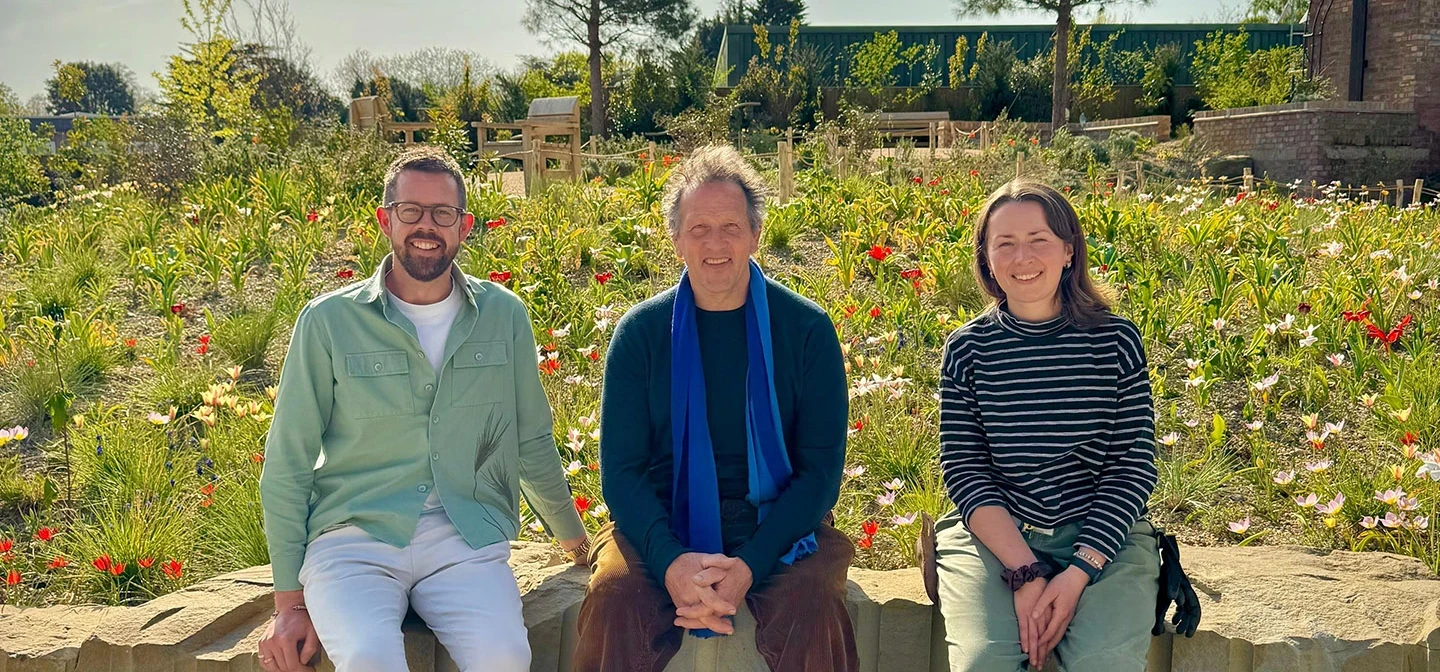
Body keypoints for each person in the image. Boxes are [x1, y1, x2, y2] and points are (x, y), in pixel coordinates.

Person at [256, 147, 589, 672]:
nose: (426, 226)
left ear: (465, 226)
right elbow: (287, 463)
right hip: (353, 541)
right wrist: (289, 603)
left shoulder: (504, 315)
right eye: (410, 210)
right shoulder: (328, 322)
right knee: (368, 658)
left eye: (443, 213)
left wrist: (575, 540)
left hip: (464, 537)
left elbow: (529, 438)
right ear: (385, 219)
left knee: (504, 656)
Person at [572, 145, 857, 672]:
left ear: (755, 234)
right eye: (699, 229)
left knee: (813, 607)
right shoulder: (640, 335)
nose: (716, 243)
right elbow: (623, 475)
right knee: (615, 598)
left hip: (780, 524)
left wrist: (750, 564)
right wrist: (670, 562)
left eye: (730, 227)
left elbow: (819, 474)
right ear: (676, 239)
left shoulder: (806, 330)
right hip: (662, 521)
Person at [934, 179, 1160, 671]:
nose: (1023, 257)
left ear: (1068, 250)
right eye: (1005, 244)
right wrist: (1025, 571)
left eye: (1038, 240)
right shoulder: (967, 350)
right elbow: (965, 471)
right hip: (997, 535)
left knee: (1104, 665)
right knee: (982, 665)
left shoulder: (1116, 342)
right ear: (986, 258)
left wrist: (1077, 573)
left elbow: (1132, 468)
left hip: (1104, 538)